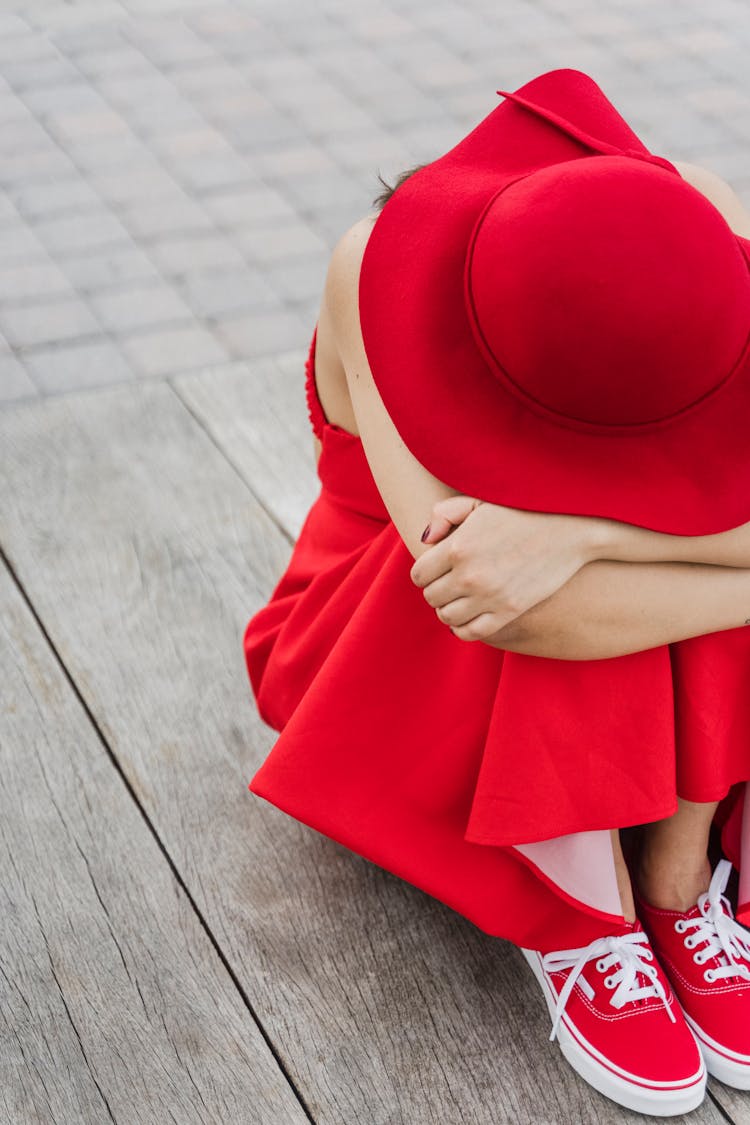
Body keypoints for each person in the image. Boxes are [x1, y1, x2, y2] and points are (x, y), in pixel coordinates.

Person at [243, 67, 750, 1116]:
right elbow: (501, 602)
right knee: (582, 557)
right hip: (384, 649)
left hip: (568, 591)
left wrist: (588, 529)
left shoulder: (701, 235)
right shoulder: (367, 268)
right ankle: (581, 910)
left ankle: (676, 882)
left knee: (682, 547)